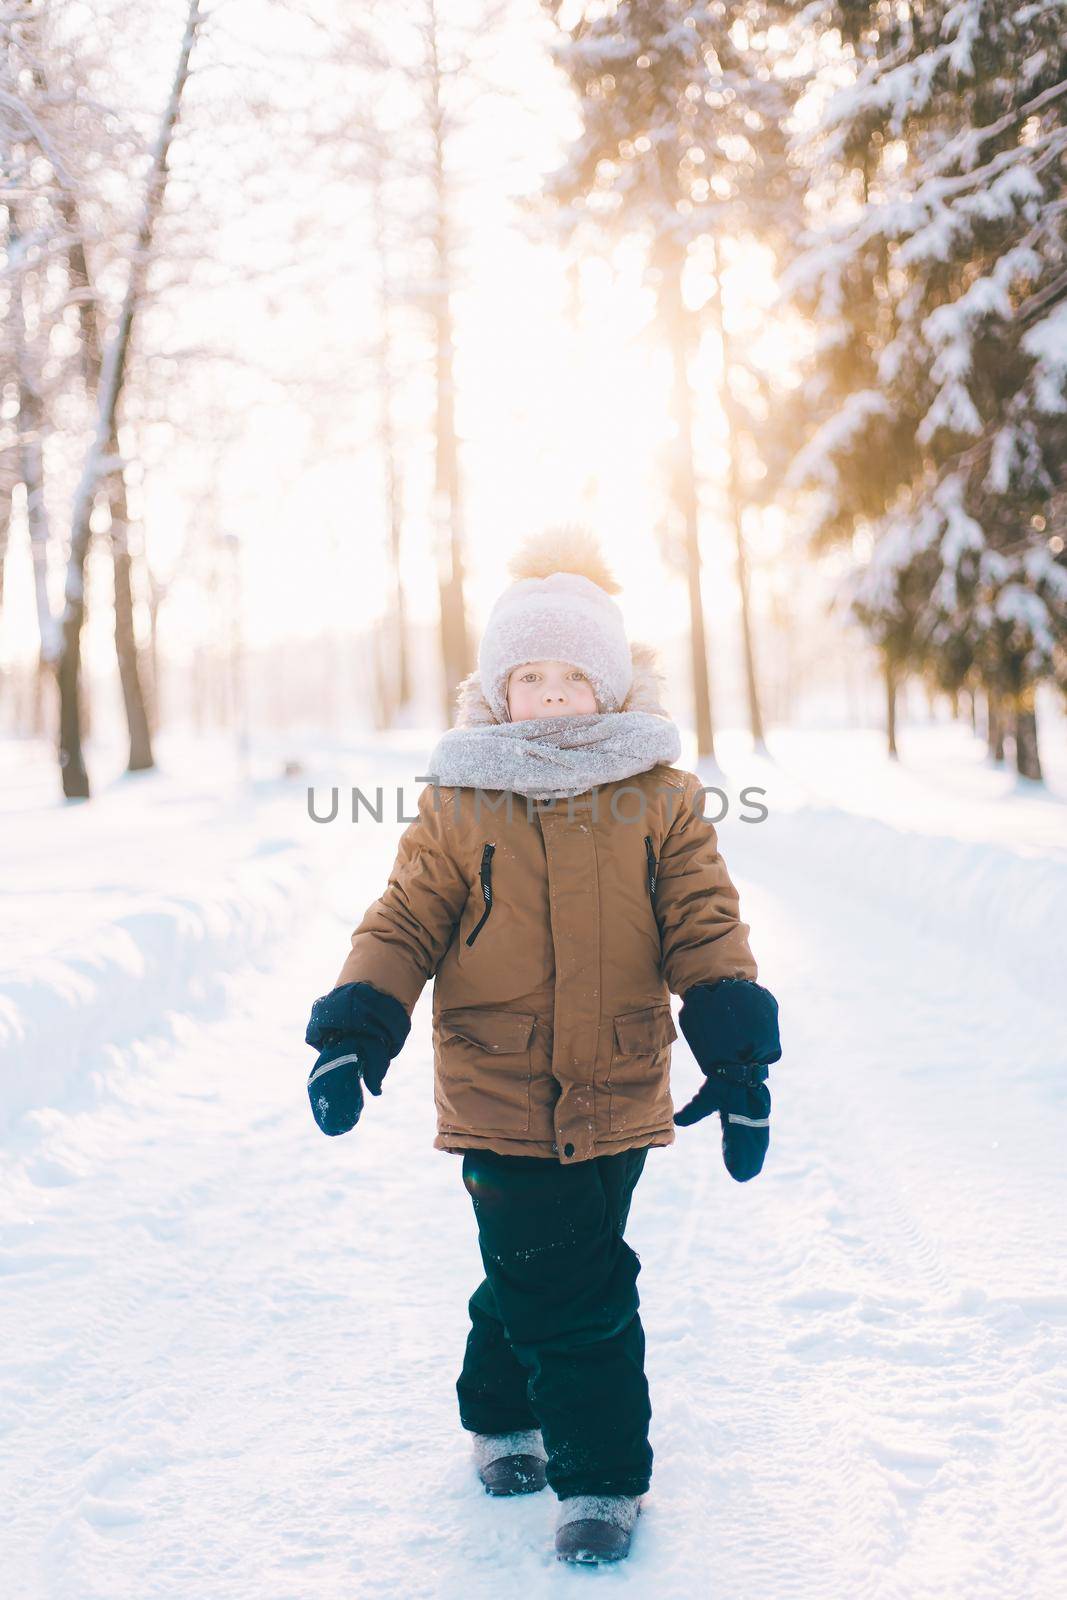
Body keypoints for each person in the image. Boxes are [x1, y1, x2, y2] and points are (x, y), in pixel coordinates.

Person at [304, 527, 782, 1565]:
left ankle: (499, 1410)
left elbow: (703, 920)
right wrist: (356, 1026)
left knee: (541, 1261)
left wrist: (735, 1050)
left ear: (607, 686)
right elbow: (403, 919)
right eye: (532, 675)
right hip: (497, 1082)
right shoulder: (461, 791)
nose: (554, 695)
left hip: (614, 1078)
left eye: (573, 676)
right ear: (498, 687)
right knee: (573, 1283)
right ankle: (602, 1477)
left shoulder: (657, 794)